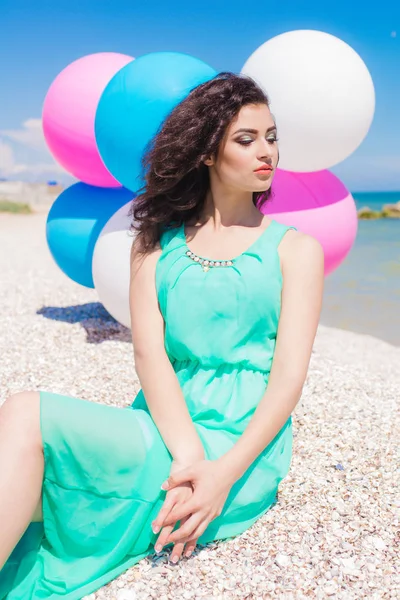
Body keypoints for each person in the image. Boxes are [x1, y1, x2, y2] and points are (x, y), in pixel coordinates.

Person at [0, 72, 324, 599]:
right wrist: (188, 456)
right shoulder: (155, 243)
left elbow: (287, 380)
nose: (267, 152)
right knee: (23, 449)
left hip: (243, 447)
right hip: (168, 427)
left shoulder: (295, 250)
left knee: (23, 428)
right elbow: (150, 358)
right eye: (246, 140)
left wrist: (217, 476)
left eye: (272, 136)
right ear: (205, 154)